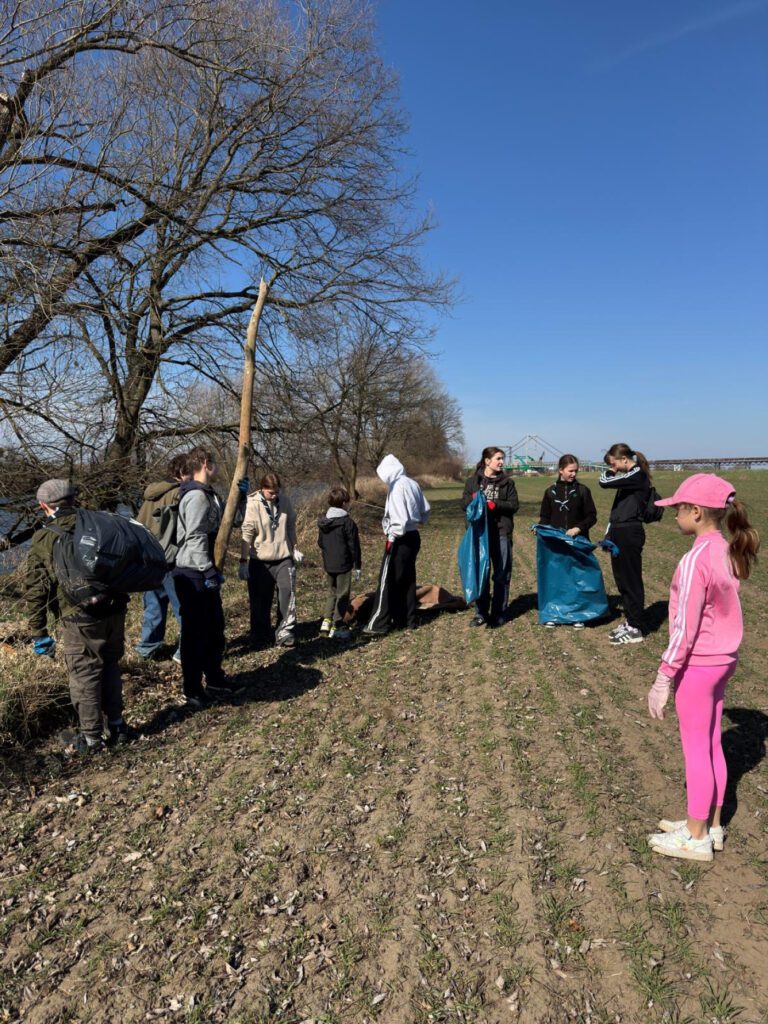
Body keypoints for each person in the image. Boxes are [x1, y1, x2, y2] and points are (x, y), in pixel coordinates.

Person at [646, 474, 760, 862]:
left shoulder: (695, 560)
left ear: (696, 512)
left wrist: (664, 676)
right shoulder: (726, 550)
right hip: (723, 661)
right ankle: (711, 825)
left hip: (699, 664)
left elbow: (685, 626)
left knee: (696, 749)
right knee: (711, 742)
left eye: (678, 509)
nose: (675, 515)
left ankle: (695, 837)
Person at [25, 479, 130, 753]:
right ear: (73, 499)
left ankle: (92, 739)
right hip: (114, 608)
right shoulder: (99, 523)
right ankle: (118, 726)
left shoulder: (44, 537)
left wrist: (39, 632)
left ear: (43, 506)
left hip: (79, 617)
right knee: (110, 666)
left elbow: (36, 589)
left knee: (85, 674)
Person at [172, 447, 232, 706]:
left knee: (214, 629)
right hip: (192, 573)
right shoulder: (196, 496)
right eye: (215, 462)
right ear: (206, 463)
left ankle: (215, 678)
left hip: (205, 572)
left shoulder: (210, 494)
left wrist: (239, 498)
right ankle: (193, 689)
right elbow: (195, 536)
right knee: (195, 634)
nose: (217, 467)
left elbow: (231, 522)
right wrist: (207, 570)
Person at [363, 454, 430, 636]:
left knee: (387, 580)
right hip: (413, 536)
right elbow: (425, 510)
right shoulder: (412, 483)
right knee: (407, 579)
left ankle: (379, 623)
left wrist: (391, 535)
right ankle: (407, 620)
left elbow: (399, 522)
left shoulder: (397, 487)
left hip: (400, 540)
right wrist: (416, 521)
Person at [134, 453, 189, 663]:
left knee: (153, 606)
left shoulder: (151, 494)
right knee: (183, 607)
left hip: (150, 560)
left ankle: (147, 648)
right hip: (172, 559)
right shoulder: (180, 493)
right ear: (183, 472)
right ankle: (185, 649)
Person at [239, 473, 303, 648]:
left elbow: (290, 526)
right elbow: (247, 533)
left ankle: (285, 631)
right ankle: (260, 634)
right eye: (270, 493)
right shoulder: (252, 503)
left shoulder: (285, 501)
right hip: (260, 560)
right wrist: (243, 561)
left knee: (287, 593)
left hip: (283, 557)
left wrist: (295, 547)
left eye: (277, 492)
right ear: (262, 489)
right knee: (260, 600)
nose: (274, 496)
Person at [598, 443, 652, 644]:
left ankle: (635, 627)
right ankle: (630, 621)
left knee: (631, 580)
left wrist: (610, 472)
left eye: (613, 463)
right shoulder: (630, 477)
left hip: (629, 532)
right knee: (622, 579)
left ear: (623, 459)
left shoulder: (637, 475)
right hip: (620, 532)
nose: (612, 467)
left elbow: (603, 481)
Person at [461, 447, 519, 628]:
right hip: (480, 535)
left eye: (502, 459)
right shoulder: (472, 482)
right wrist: (473, 499)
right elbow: (463, 504)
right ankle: (481, 613)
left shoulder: (508, 483)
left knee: (502, 575)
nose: (502, 462)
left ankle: (498, 613)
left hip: (501, 534)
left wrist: (495, 505)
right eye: (498, 459)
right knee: (481, 574)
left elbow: (514, 505)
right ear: (487, 461)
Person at [538, 454, 598, 629]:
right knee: (556, 579)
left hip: (577, 541)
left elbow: (592, 516)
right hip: (556, 544)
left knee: (576, 578)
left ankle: (577, 615)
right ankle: (553, 614)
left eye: (575, 471)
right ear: (561, 470)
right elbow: (545, 517)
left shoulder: (583, 491)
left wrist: (578, 528)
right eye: (570, 471)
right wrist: (540, 529)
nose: (573, 474)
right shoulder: (549, 492)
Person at [317, 486, 362, 641]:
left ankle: (326, 622)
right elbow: (354, 546)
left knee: (332, 593)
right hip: (344, 565)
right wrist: (358, 565)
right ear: (343, 503)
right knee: (343, 594)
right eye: (347, 502)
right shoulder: (348, 523)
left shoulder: (323, 521)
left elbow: (320, 543)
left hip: (329, 564)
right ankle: (337, 624)